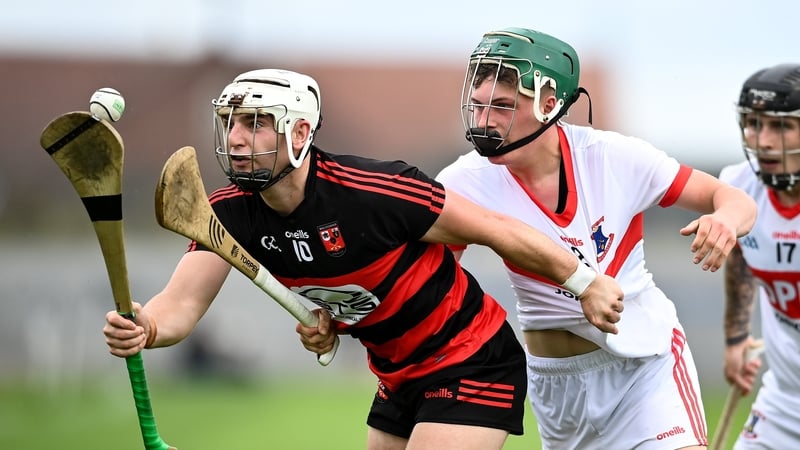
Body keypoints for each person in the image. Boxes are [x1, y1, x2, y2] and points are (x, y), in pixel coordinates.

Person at [102, 68, 626, 450]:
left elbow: (499, 230)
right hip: (397, 376)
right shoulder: (230, 214)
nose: (237, 138)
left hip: (472, 359)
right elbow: (180, 306)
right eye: (231, 123)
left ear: (301, 134)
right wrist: (145, 326)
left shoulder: (373, 193)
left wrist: (585, 281)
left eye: (257, 123)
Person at [433, 27, 758, 449]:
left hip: (643, 368)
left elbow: (731, 198)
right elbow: (421, 277)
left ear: (549, 105)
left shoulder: (614, 157)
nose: (484, 121)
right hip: (555, 386)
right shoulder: (463, 182)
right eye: (478, 106)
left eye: (502, 106)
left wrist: (726, 222)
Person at [719, 63, 800, 449]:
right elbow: (741, 254)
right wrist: (736, 338)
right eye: (753, 123)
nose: (763, 140)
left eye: (781, 126)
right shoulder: (738, 186)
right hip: (784, 401)